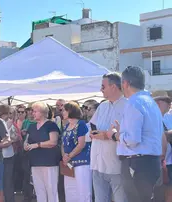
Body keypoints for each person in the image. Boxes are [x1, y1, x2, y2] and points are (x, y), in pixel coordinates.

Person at [106, 66, 163, 202]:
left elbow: (132, 139)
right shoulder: (151, 102)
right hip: (151, 162)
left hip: (137, 164)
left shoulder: (134, 103)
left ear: (125, 83)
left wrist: (115, 135)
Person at [89, 72, 128, 202]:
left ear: (113, 87)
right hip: (98, 164)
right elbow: (92, 127)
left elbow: (129, 135)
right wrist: (95, 133)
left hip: (117, 165)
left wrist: (106, 135)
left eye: (103, 86)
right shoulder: (103, 106)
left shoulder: (128, 106)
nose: (100, 90)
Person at [24, 102, 60, 202]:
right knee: (39, 190)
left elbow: (53, 142)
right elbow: (27, 141)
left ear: (43, 112)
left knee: (51, 190)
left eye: (35, 111)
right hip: (35, 162)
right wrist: (26, 145)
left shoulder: (51, 125)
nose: (32, 113)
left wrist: (37, 145)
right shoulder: (31, 127)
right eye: (32, 111)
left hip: (49, 162)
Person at [61, 102, 92, 202]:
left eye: (64, 110)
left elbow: (81, 144)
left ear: (70, 111)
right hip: (69, 164)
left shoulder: (81, 124)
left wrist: (69, 156)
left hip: (81, 162)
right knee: (70, 191)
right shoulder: (66, 126)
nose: (62, 112)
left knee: (83, 192)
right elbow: (63, 144)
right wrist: (64, 156)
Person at [0, 105, 16, 202]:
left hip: (8, 156)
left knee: (8, 181)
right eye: (7, 113)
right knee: (1, 182)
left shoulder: (9, 123)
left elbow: (14, 137)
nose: (9, 116)